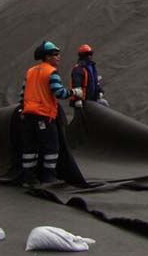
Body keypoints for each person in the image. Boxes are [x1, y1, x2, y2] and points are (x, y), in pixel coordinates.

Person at [20, 41, 82, 186]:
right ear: (47, 57)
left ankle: (27, 178)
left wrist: (23, 110)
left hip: (28, 115)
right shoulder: (51, 72)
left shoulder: (30, 72)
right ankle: (48, 178)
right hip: (44, 115)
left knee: (30, 148)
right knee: (51, 147)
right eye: (55, 54)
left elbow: (23, 94)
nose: (58, 57)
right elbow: (59, 93)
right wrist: (74, 92)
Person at [70, 44, 108, 108]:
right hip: (83, 101)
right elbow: (76, 85)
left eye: (90, 54)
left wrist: (100, 91)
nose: (90, 56)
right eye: (88, 54)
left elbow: (95, 81)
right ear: (84, 56)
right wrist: (78, 100)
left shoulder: (91, 67)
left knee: (104, 104)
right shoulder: (79, 69)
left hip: (92, 99)